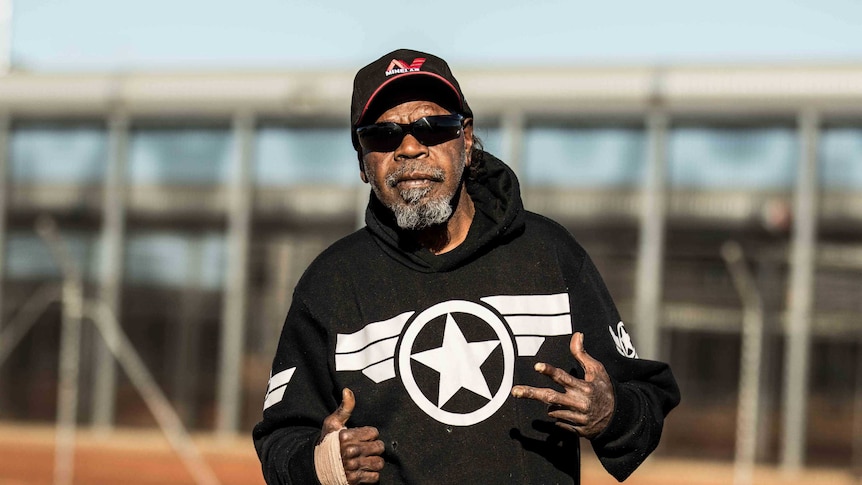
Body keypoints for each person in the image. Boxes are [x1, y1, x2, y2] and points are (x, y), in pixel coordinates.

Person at [253, 48, 680, 484]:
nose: (410, 148)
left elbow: (644, 396)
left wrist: (611, 413)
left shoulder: (548, 254)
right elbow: (280, 439)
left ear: (467, 137)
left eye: (432, 127)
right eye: (382, 135)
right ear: (363, 161)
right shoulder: (331, 282)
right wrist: (320, 463)